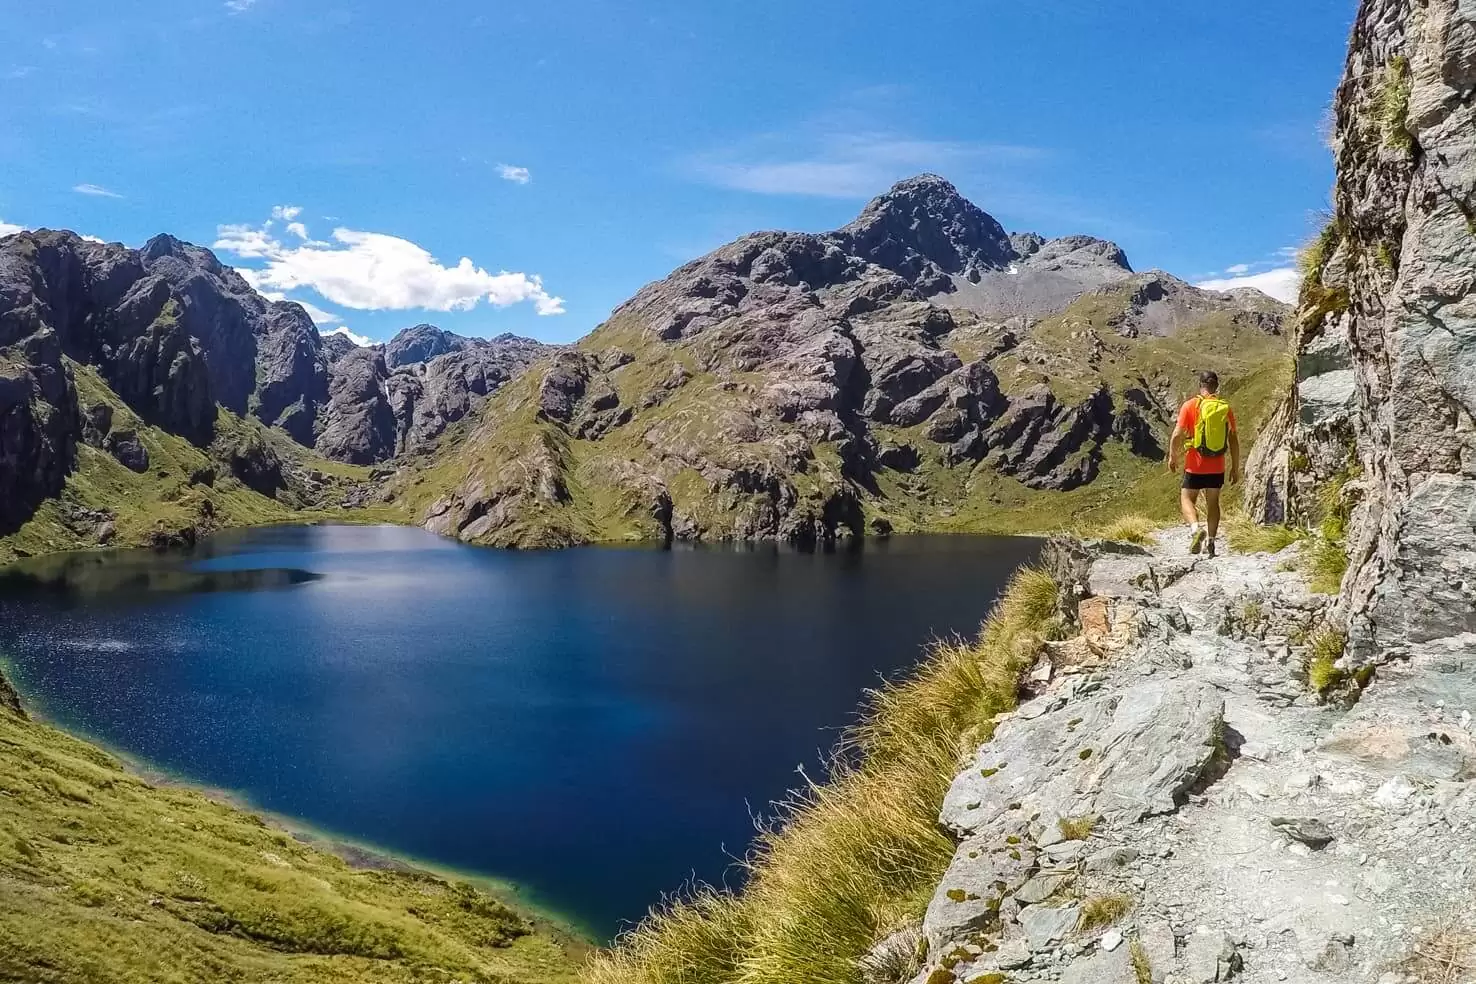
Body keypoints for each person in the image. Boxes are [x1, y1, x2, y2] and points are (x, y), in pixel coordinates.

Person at [1166, 370, 1241, 557]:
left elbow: (1177, 434)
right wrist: (1235, 467)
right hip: (1217, 465)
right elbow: (1233, 440)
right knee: (1213, 503)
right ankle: (1212, 542)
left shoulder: (1190, 406)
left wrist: (1172, 456)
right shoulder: (1224, 408)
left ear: (1201, 385)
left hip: (1195, 465)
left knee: (1186, 498)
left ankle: (1195, 529)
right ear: (1216, 386)